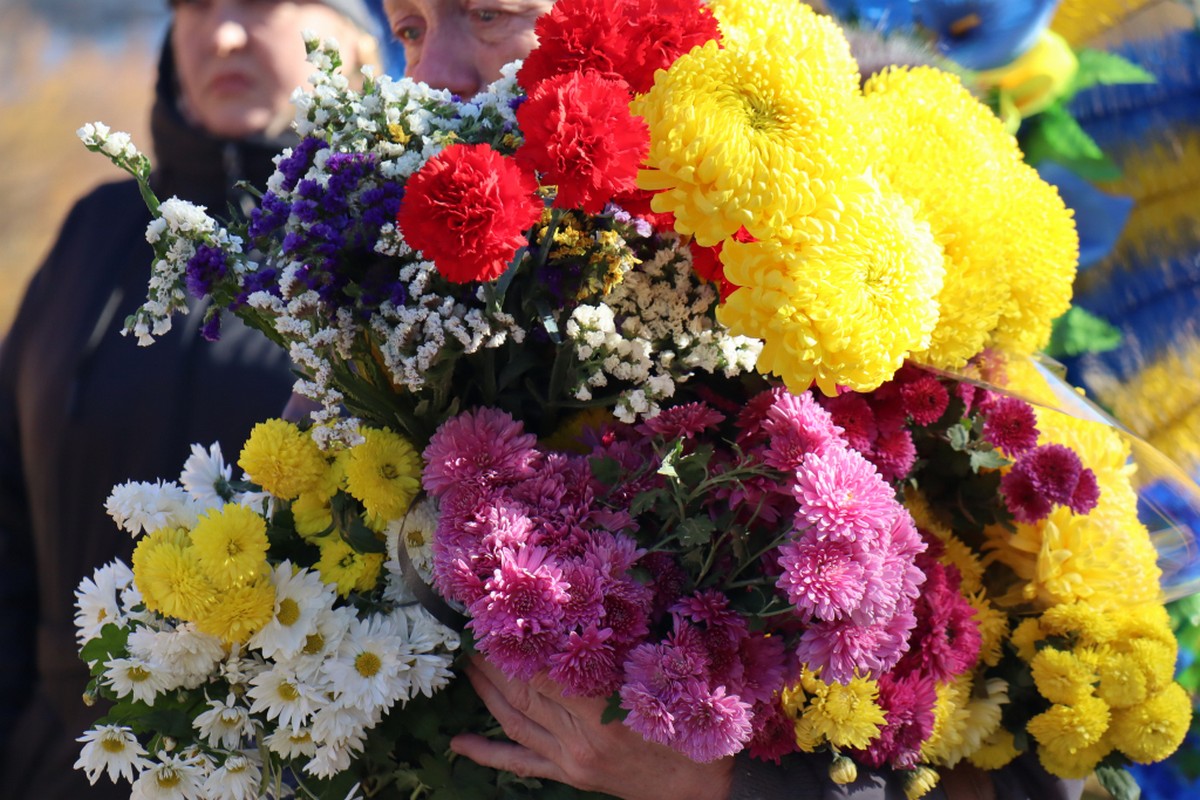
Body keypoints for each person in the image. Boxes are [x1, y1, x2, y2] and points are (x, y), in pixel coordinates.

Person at [379, 2, 1086, 799]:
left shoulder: (873, 243)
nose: (431, 72)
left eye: (488, 12)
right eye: (407, 27)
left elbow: (1036, 771)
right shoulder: (396, 277)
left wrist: (720, 784)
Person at [0, 2, 381, 797]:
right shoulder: (97, 233)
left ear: (354, 37)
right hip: (66, 759)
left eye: (260, 6)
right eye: (197, 7)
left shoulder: (379, 250)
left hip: (296, 761)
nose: (224, 34)